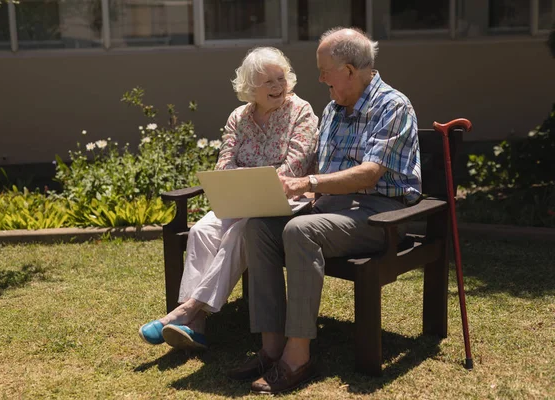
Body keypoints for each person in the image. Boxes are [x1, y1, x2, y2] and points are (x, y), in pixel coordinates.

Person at [227, 28, 422, 394]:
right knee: (259, 228)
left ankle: (298, 356)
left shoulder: (392, 105)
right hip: (329, 210)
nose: (319, 78)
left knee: (300, 232)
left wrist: (309, 184)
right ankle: (271, 349)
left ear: (349, 69)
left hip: (380, 216)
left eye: (324, 70)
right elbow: (316, 167)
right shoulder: (333, 108)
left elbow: (370, 172)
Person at [139, 47, 319, 350]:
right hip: (241, 199)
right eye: (269, 82)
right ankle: (195, 326)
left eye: (281, 78)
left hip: (287, 203)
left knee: (239, 231)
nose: (278, 87)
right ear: (251, 88)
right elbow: (224, 163)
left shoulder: (301, 112)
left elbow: (295, 166)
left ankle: (186, 311)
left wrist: (253, 184)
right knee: (202, 230)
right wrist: (244, 188)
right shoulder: (239, 117)